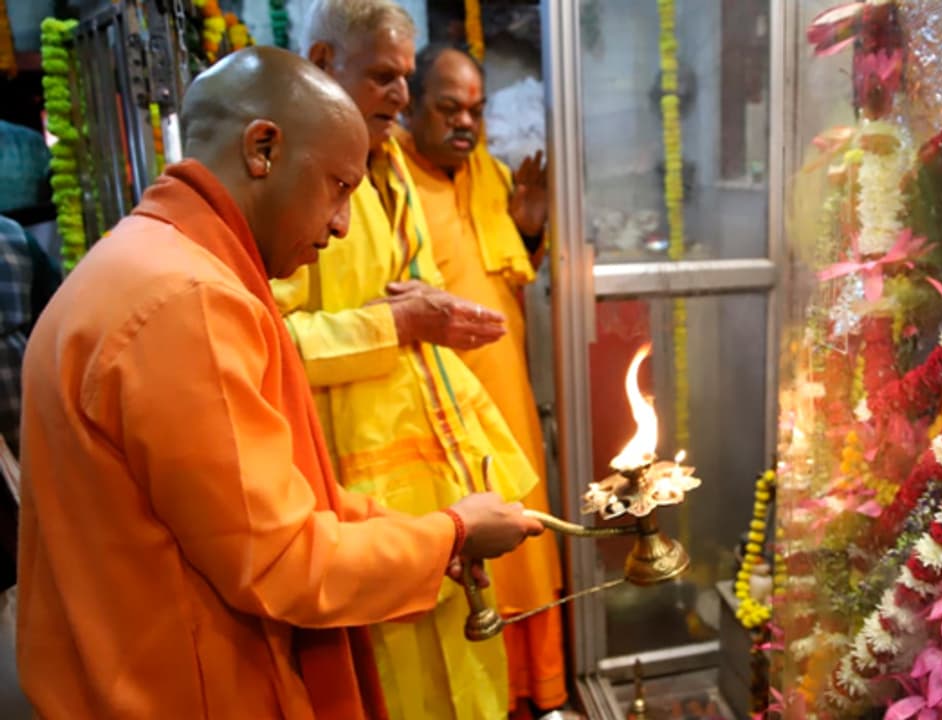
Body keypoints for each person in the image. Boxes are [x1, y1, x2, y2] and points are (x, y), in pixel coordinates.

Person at [16, 46, 542, 719]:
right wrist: (449, 535)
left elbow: (256, 504)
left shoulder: (141, 259)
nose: (340, 225)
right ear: (262, 149)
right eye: (338, 187)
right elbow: (284, 561)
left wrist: (427, 530)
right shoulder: (188, 300)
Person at [280, 2, 542, 717]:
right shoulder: (291, 177)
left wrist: (433, 313)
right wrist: (395, 325)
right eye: (385, 77)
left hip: (440, 463)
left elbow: (413, 289)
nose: (399, 95)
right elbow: (265, 342)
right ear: (327, 65)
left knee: (467, 649)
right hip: (354, 474)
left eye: (404, 77)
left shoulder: (389, 159)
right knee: (398, 676)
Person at [397, 43, 566, 717]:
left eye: (475, 109)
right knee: (474, 554)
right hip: (443, 413)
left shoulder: (493, 174)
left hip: (509, 398)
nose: (465, 123)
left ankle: (541, 693)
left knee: (528, 544)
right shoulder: (392, 181)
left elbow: (509, 271)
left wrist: (529, 228)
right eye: (448, 108)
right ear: (413, 105)